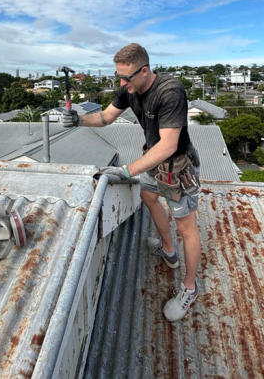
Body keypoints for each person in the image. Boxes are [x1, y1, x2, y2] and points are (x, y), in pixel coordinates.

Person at [61, 43, 201, 321]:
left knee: (187, 228)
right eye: (118, 77)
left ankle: (189, 288)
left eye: (126, 77)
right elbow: (106, 117)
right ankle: (169, 251)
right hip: (151, 160)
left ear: (144, 70)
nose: (122, 83)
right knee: (148, 197)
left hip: (176, 166)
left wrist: (127, 171)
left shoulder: (169, 92)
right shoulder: (130, 88)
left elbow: (169, 145)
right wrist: (79, 120)